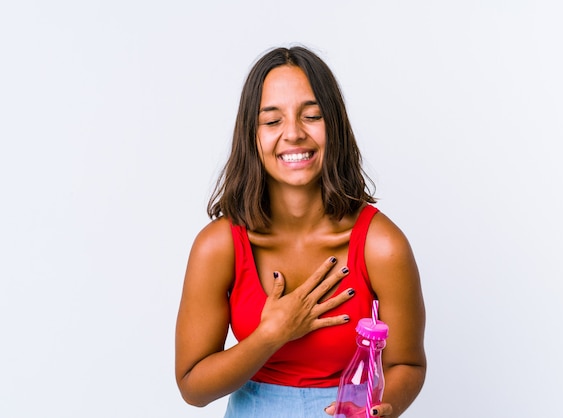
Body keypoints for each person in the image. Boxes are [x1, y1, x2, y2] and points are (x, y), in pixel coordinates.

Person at [175, 45, 426, 418]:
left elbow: (407, 364)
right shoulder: (219, 246)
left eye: (311, 116)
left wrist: (384, 408)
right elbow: (193, 387)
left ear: (334, 126)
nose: (293, 133)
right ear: (252, 135)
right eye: (272, 121)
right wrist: (271, 334)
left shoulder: (382, 246)